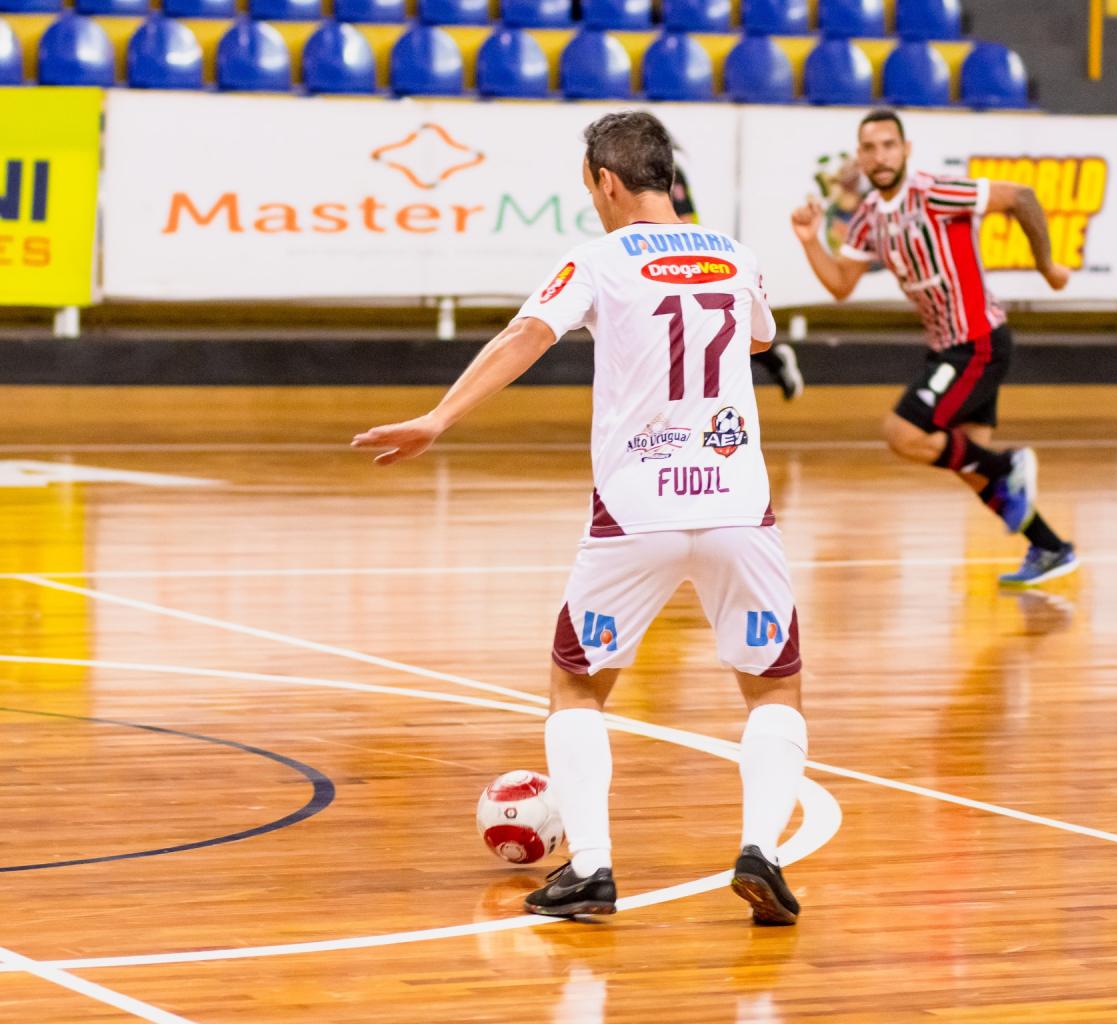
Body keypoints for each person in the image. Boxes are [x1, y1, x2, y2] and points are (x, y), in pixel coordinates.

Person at [353, 111, 808, 925]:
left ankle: (592, 869)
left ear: (605, 181)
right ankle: (762, 852)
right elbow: (758, 337)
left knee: (576, 684)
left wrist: (438, 418)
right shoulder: (735, 255)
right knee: (773, 688)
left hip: (637, 512)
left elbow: (526, 335)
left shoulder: (598, 258)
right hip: (739, 504)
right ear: (667, 176)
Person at [791, 109, 1079, 587]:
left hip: (977, 342)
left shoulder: (936, 192)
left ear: (906, 150)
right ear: (859, 158)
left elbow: (1022, 196)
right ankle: (1051, 547)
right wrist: (809, 241)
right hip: (948, 348)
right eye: (869, 148)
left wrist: (1047, 267)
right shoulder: (867, 218)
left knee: (903, 433)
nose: (880, 156)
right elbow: (841, 284)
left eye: (888, 145)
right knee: (969, 465)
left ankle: (1010, 464)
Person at [672, 158, 805, 401]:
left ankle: (774, 362)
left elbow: (686, 219)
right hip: (669, 266)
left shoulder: (666, 171)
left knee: (710, 328)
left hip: (682, 264)